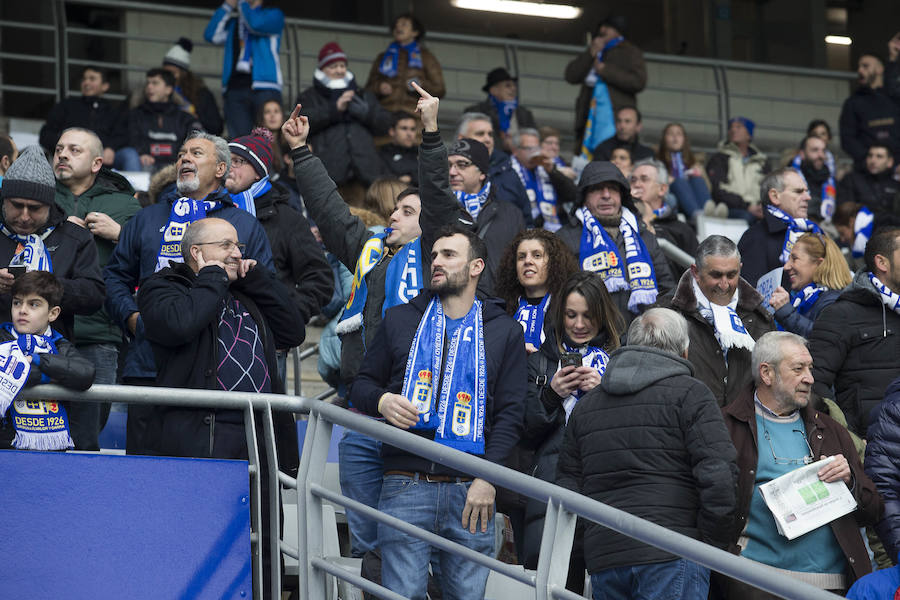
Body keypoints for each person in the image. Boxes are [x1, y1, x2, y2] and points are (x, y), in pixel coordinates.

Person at [283, 84, 467, 561]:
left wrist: (430, 133)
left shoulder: (437, 261)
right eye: (395, 209)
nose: (393, 215)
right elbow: (330, 210)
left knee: (410, 543)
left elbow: (440, 200)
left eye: (407, 211)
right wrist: (302, 151)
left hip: (418, 417)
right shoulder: (372, 254)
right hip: (364, 410)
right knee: (367, 544)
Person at [349, 224, 527, 600]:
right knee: (403, 594)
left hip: (470, 489)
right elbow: (361, 385)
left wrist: (487, 479)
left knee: (466, 595)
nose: (437, 263)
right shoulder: (400, 319)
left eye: (449, 255)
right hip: (404, 481)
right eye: (434, 256)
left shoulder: (505, 331)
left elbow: (511, 415)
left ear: (476, 267)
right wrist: (382, 401)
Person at [137, 217, 303, 600]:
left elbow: (293, 331)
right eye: (225, 245)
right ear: (197, 252)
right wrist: (212, 278)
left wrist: (258, 281)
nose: (236, 253)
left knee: (262, 540)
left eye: (237, 246)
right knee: (200, 540)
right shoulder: (162, 287)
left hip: (259, 435)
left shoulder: (245, 290)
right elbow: (179, 325)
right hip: (201, 432)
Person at [104, 131, 274, 455]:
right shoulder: (147, 217)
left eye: (196, 153)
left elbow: (263, 286)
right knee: (146, 476)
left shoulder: (244, 224)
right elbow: (114, 277)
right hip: (148, 366)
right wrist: (133, 318)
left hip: (216, 371)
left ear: (221, 169)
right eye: (182, 153)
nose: (184, 158)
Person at [557, 307, 737, 600]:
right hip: (673, 551)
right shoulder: (692, 394)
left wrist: (592, 543)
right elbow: (720, 476)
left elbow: (568, 484)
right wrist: (709, 546)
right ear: (684, 353)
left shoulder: (587, 406)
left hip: (606, 557)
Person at [720, 331, 881, 597]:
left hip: (830, 586)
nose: (810, 378)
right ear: (767, 373)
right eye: (798, 369)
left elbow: (873, 510)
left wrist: (851, 480)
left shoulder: (829, 428)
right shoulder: (728, 425)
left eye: (810, 368)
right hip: (753, 581)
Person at [521, 271, 625, 585]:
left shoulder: (622, 361)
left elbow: (632, 432)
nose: (579, 325)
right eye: (570, 315)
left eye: (588, 316)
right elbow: (524, 433)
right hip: (553, 489)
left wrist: (603, 393)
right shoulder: (539, 362)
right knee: (557, 586)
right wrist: (551, 394)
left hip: (607, 489)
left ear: (602, 316)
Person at [0, 144, 105, 448]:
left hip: (53, 366)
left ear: (51, 204)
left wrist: (43, 286)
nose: (23, 215)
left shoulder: (74, 238)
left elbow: (95, 295)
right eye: (15, 205)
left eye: (34, 208)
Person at [52, 127, 142, 440]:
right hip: (36, 332)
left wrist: (120, 234)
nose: (63, 154)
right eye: (60, 148)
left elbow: (152, 261)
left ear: (96, 163)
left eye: (75, 150)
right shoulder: (35, 198)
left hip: (98, 332)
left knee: (89, 431)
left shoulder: (125, 205)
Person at [224, 127, 333, 380]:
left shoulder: (287, 219)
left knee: (265, 420)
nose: (230, 167)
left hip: (267, 343)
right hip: (215, 340)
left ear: (259, 169)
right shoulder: (210, 209)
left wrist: (286, 316)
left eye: (239, 161)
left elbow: (320, 279)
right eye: (226, 161)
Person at [555, 161, 674, 326]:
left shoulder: (643, 236)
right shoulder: (564, 238)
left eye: (612, 188)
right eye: (597, 189)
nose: (606, 195)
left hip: (640, 337)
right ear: (584, 196)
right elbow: (557, 297)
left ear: (622, 195)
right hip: (587, 336)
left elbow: (666, 288)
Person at [661, 235, 773, 407]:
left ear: (740, 269)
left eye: (731, 275)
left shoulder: (760, 317)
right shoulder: (665, 315)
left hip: (745, 427)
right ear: (696, 272)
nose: (724, 284)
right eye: (716, 275)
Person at [808, 227, 900, 436]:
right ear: (882, 262)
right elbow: (813, 383)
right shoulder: (842, 314)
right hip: (869, 449)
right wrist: (847, 438)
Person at [0, 272, 95, 450]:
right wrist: (53, 377)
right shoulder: (2, 338)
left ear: (53, 313)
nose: (22, 310)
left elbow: (86, 373)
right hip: (5, 444)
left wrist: (37, 359)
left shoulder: (59, 344)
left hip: (53, 449)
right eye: (17, 302)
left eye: (33, 304)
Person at [297, 42, 392, 207]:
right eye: (333, 66)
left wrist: (367, 113)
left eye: (342, 65)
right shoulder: (309, 96)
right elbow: (303, 122)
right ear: (322, 69)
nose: (340, 70)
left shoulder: (363, 94)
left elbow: (386, 125)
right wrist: (334, 109)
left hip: (365, 174)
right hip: (329, 174)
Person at [429, 134, 525, 289]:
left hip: (495, 305)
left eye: (462, 164)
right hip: (446, 301)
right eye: (449, 165)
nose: (452, 172)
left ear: (482, 173)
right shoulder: (437, 210)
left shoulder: (511, 214)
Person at [565, 15, 646, 156]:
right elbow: (571, 76)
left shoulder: (631, 52)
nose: (602, 30)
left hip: (614, 115)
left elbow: (638, 82)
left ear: (617, 31)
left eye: (607, 27)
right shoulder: (595, 48)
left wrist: (604, 70)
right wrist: (591, 52)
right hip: (589, 115)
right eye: (601, 27)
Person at [204, 0, 284, 138]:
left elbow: (255, 24)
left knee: (269, 138)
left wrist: (242, 4)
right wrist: (228, 5)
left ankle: (274, 161)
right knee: (239, 142)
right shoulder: (235, 22)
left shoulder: (274, 15)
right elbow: (211, 35)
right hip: (235, 88)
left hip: (265, 86)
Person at [495, 229, 579, 353]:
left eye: (537, 255)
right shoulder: (500, 310)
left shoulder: (568, 309)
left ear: (554, 263)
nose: (528, 261)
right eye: (521, 257)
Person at [737, 167, 822, 288]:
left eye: (806, 191)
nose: (807, 197)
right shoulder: (755, 238)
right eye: (798, 191)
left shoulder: (813, 232)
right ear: (775, 196)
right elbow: (752, 295)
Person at [38, 66, 132, 170]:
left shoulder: (112, 111)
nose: (86, 82)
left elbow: (122, 135)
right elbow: (46, 134)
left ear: (105, 86)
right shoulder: (66, 106)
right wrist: (67, 147)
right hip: (72, 159)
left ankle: (135, 187)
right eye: (84, 79)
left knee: (129, 155)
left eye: (92, 79)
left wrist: (111, 148)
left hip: (102, 160)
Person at [365, 13, 446, 124]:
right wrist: (379, 87)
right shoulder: (382, 57)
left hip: (415, 120)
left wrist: (420, 85)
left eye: (404, 24)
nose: (398, 27)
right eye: (396, 25)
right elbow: (368, 89)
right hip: (385, 118)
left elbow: (439, 90)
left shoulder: (426, 57)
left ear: (415, 32)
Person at [492, 127, 576, 231]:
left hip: (552, 228)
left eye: (537, 148)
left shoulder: (546, 167)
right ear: (515, 150)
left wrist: (552, 172)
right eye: (528, 149)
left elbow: (572, 195)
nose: (534, 153)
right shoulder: (506, 170)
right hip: (521, 228)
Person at [767, 233, 851, 338]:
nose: (786, 266)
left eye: (794, 258)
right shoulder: (801, 297)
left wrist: (786, 311)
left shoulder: (834, 302)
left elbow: (822, 338)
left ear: (819, 264)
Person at [128, 68, 202, 172]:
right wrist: (141, 153)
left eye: (155, 83)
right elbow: (132, 138)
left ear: (168, 89)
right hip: (145, 166)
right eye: (148, 83)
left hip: (176, 167)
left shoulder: (185, 118)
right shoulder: (136, 114)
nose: (149, 87)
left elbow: (197, 140)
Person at [630, 159, 699, 264]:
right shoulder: (621, 222)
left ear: (662, 189)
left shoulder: (682, 230)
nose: (636, 185)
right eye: (633, 180)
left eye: (644, 179)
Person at [839, 53, 900, 169]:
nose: (860, 70)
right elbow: (847, 138)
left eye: (865, 66)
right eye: (859, 67)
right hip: (866, 170)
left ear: (879, 69)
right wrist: (869, 159)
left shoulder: (895, 98)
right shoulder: (853, 102)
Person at [706, 116, 770, 222]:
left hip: (758, 209)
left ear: (749, 135)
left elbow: (769, 189)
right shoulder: (719, 158)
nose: (733, 130)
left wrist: (761, 207)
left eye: (739, 127)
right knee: (746, 218)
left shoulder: (762, 161)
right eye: (731, 127)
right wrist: (747, 206)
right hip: (731, 208)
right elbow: (717, 190)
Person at [464, 67, 537, 154]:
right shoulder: (476, 112)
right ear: (494, 90)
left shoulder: (525, 114)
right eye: (508, 85)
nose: (513, 89)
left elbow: (534, 139)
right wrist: (502, 143)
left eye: (514, 85)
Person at [161, 37, 224, 136]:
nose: (169, 77)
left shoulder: (202, 94)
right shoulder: (154, 92)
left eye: (173, 73)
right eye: (165, 73)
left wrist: (194, 115)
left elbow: (216, 127)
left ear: (184, 73)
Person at [656, 122, 710, 221]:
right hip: (671, 199)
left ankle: (709, 213)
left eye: (679, 134)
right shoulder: (657, 161)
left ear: (684, 139)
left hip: (696, 199)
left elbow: (709, 188)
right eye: (670, 134)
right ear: (664, 138)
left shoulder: (694, 161)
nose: (675, 137)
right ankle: (697, 215)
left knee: (697, 179)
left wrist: (701, 174)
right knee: (679, 182)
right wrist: (668, 180)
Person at [837, 144, 900, 225]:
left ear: (890, 162)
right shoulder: (852, 179)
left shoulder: (896, 185)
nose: (873, 160)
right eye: (870, 156)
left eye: (879, 156)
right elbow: (846, 211)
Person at [791, 134, 835, 222]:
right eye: (815, 150)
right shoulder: (789, 178)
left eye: (823, 151)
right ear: (802, 154)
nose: (821, 155)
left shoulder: (831, 180)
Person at [377, 111, 419, 184]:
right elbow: (384, 180)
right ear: (392, 131)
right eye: (404, 128)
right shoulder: (383, 153)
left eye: (412, 129)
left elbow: (430, 176)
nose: (409, 134)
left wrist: (410, 178)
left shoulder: (422, 152)